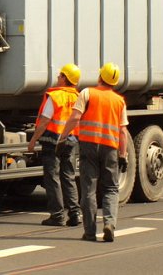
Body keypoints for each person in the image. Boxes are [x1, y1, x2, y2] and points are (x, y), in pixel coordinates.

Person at [57, 62, 129, 243]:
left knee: (89, 189)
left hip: (88, 146)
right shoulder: (119, 101)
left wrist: (62, 138)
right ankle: (109, 224)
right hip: (111, 148)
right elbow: (122, 132)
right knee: (111, 188)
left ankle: (89, 232)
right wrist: (123, 155)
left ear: (100, 77)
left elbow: (74, 117)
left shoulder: (86, 93)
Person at [27, 63, 83, 227]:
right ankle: (75, 214)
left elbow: (44, 121)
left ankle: (57, 215)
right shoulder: (77, 97)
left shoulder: (55, 96)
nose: (58, 77)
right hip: (70, 139)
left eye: (60, 75)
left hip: (53, 140)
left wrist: (32, 141)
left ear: (65, 78)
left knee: (52, 177)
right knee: (68, 176)